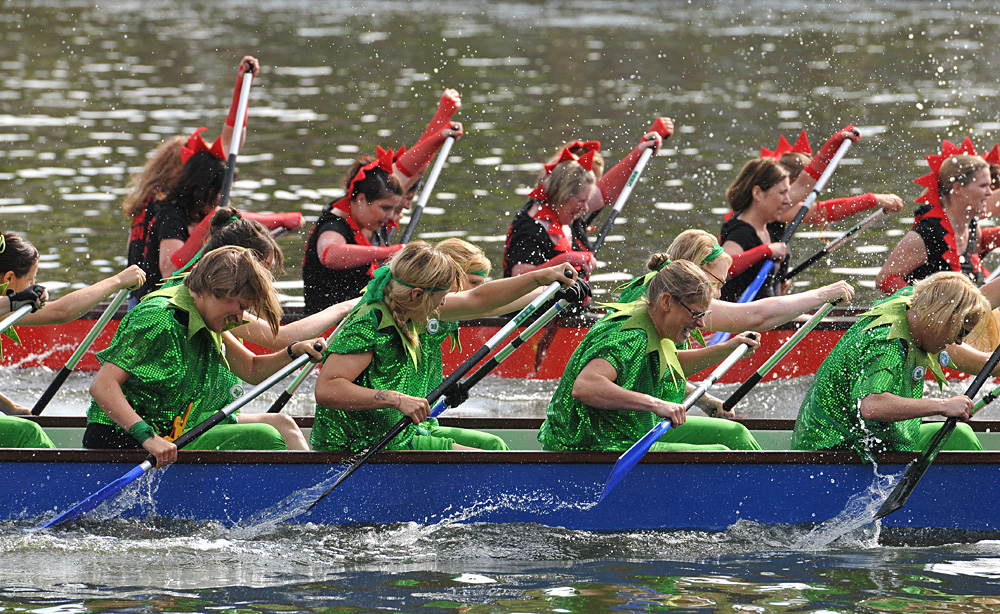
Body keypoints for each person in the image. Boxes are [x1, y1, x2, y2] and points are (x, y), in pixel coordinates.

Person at [313, 242, 570, 451]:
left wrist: (544, 281)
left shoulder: (411, 306)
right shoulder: (370, 323)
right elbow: (327, 388)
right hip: (360, 443)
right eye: (441, 300)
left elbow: (477, 299)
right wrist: (396, 400)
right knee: (490, 463)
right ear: (417, 294)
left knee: (494, 446)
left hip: (402, 431)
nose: (442, 308)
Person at [86, 246, 327, 464]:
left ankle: (313, 497)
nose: (240, 316)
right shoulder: (158, 318)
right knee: (267, 436)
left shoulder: (205, 314)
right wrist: (148, 438)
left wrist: (293, 352)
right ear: (215, 289)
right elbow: (102, 385)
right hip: (124, 438)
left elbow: (252, 369)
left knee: (282, 424)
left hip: (175, 428)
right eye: (241, 306)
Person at [616, 230, 854, 417]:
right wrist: (822, 295)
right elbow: (756, 317)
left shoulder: (653, 285)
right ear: (698, 270)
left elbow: (657, 368)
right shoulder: (679, 301)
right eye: (718, 283)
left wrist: (704, 400)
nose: (718, 295)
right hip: (630, 418)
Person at [124, 56, 301, 306]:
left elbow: (232, 142)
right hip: (150, 304)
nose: (221, 196)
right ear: (198, 185)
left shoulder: (179, 200)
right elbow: (169, 271)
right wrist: (275, 219)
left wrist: (242, 86)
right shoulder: (166, 209)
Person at [538, 260, 762, 452]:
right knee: (720, 453)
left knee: (736, 434)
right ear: (666, 302)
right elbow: (586, 386)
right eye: (695, 313)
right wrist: (656, 404)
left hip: (633, 430)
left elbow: (670, 367)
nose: (701, 323)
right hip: (593, 443)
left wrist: (729, 348)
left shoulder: (655, 322)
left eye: (704, 314)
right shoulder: (631, 336)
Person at [792, 272, 991, 460]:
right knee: (960, 434)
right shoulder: (888, 346)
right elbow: (871, 406)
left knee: (960, 434)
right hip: (833, 452)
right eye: (961, 333)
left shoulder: (912, 301)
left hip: (873, 441)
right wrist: (944, 406)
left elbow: (965, 297)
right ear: (942, 318)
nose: (957, 343)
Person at [719, 127, 889, 302]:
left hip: (766, 314)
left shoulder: (769, 212)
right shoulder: (742, 231)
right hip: (746, 320)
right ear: (758, 193)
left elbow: (805, 185)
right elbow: (721, 267)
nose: (788, 200)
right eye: (783, 192)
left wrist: (833, 145)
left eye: (788, 192)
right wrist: (766, 251)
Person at [503, 120, 671, 279]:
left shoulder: (567, 208)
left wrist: (641, 151)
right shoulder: (529, 230)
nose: (586, 208)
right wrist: (566, 260)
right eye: (582, 201)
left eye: (587, 200)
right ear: (562, 195)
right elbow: (519, 281)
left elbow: (606, 191)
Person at [876, 139, 999, 294]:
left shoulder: (971, 224)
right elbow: (885, 278)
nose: (990, 192)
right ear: (958, 189)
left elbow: (981, 245)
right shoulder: (927, 234)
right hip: (925, 315)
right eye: (983, 186)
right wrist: (923, 306)